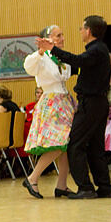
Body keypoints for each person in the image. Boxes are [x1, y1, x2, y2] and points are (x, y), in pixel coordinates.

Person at [37, 15, 111, 199]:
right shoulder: (99, 50)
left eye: (81, 28)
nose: (80, 31)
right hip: (98, 103)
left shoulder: (95, 50)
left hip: (91, 104)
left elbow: (77, 61)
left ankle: (86, 188)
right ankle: (104, 187)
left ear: (88, 31)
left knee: (75, 144)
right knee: (95, 146)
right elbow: (77, 64)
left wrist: (52, 49)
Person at [22, 26, 74, 198]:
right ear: (47, 38)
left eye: (62, 34)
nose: (62, 38)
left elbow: (65, 75)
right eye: (58, 35)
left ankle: (61, 185)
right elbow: (28, 66)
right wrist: (40, 51)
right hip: (52, 102)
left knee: (65, 146)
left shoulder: (61, 56)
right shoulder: (40, 58)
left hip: (64, 101)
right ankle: (32, 177)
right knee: (60, 142)